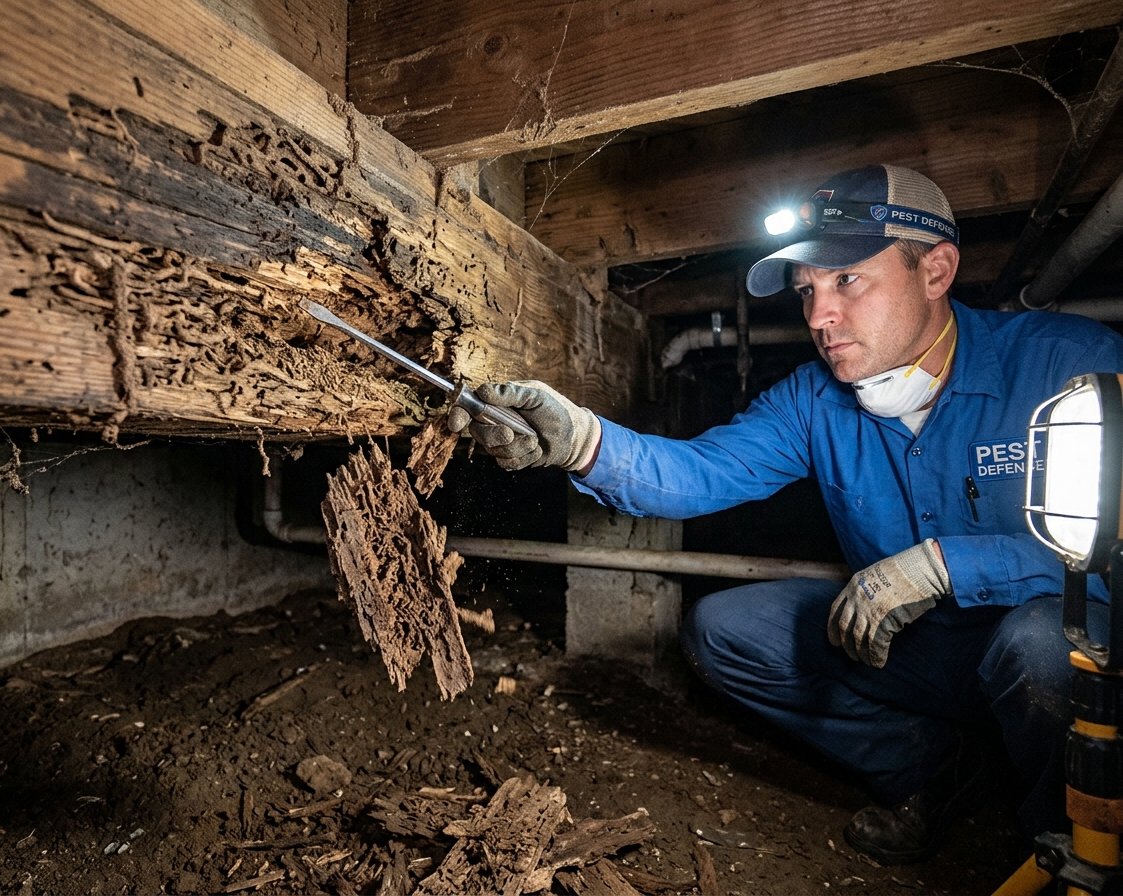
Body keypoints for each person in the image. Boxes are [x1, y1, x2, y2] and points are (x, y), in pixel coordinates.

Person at [447, 164, 1123, 865]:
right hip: (913, 648)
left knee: (1040, 646)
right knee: (727, 630)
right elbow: (698, 473)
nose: (818, 316)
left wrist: (951, 564)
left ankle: (1067, 846)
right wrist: (579, 439)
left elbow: (1115, 560)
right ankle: (934, 769)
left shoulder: (1070, 367)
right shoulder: (811, 399)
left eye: (846, 281)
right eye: (808, 290)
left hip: (1044, 643)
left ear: (937, 270)